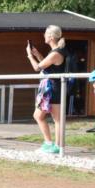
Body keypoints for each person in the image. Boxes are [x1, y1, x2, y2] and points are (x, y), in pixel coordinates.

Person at [26, 24, 67, 153]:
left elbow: (37, 68)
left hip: (53, 88)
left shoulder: (56, 53)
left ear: (51, 37)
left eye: (45, 33)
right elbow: (47, 66)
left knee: (57, 119)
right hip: (49, 87)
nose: (44, 35)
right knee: (39, 115)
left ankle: (57, 146)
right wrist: (37, 54)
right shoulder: (54, 52)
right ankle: (49, 143)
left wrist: (29, 56)